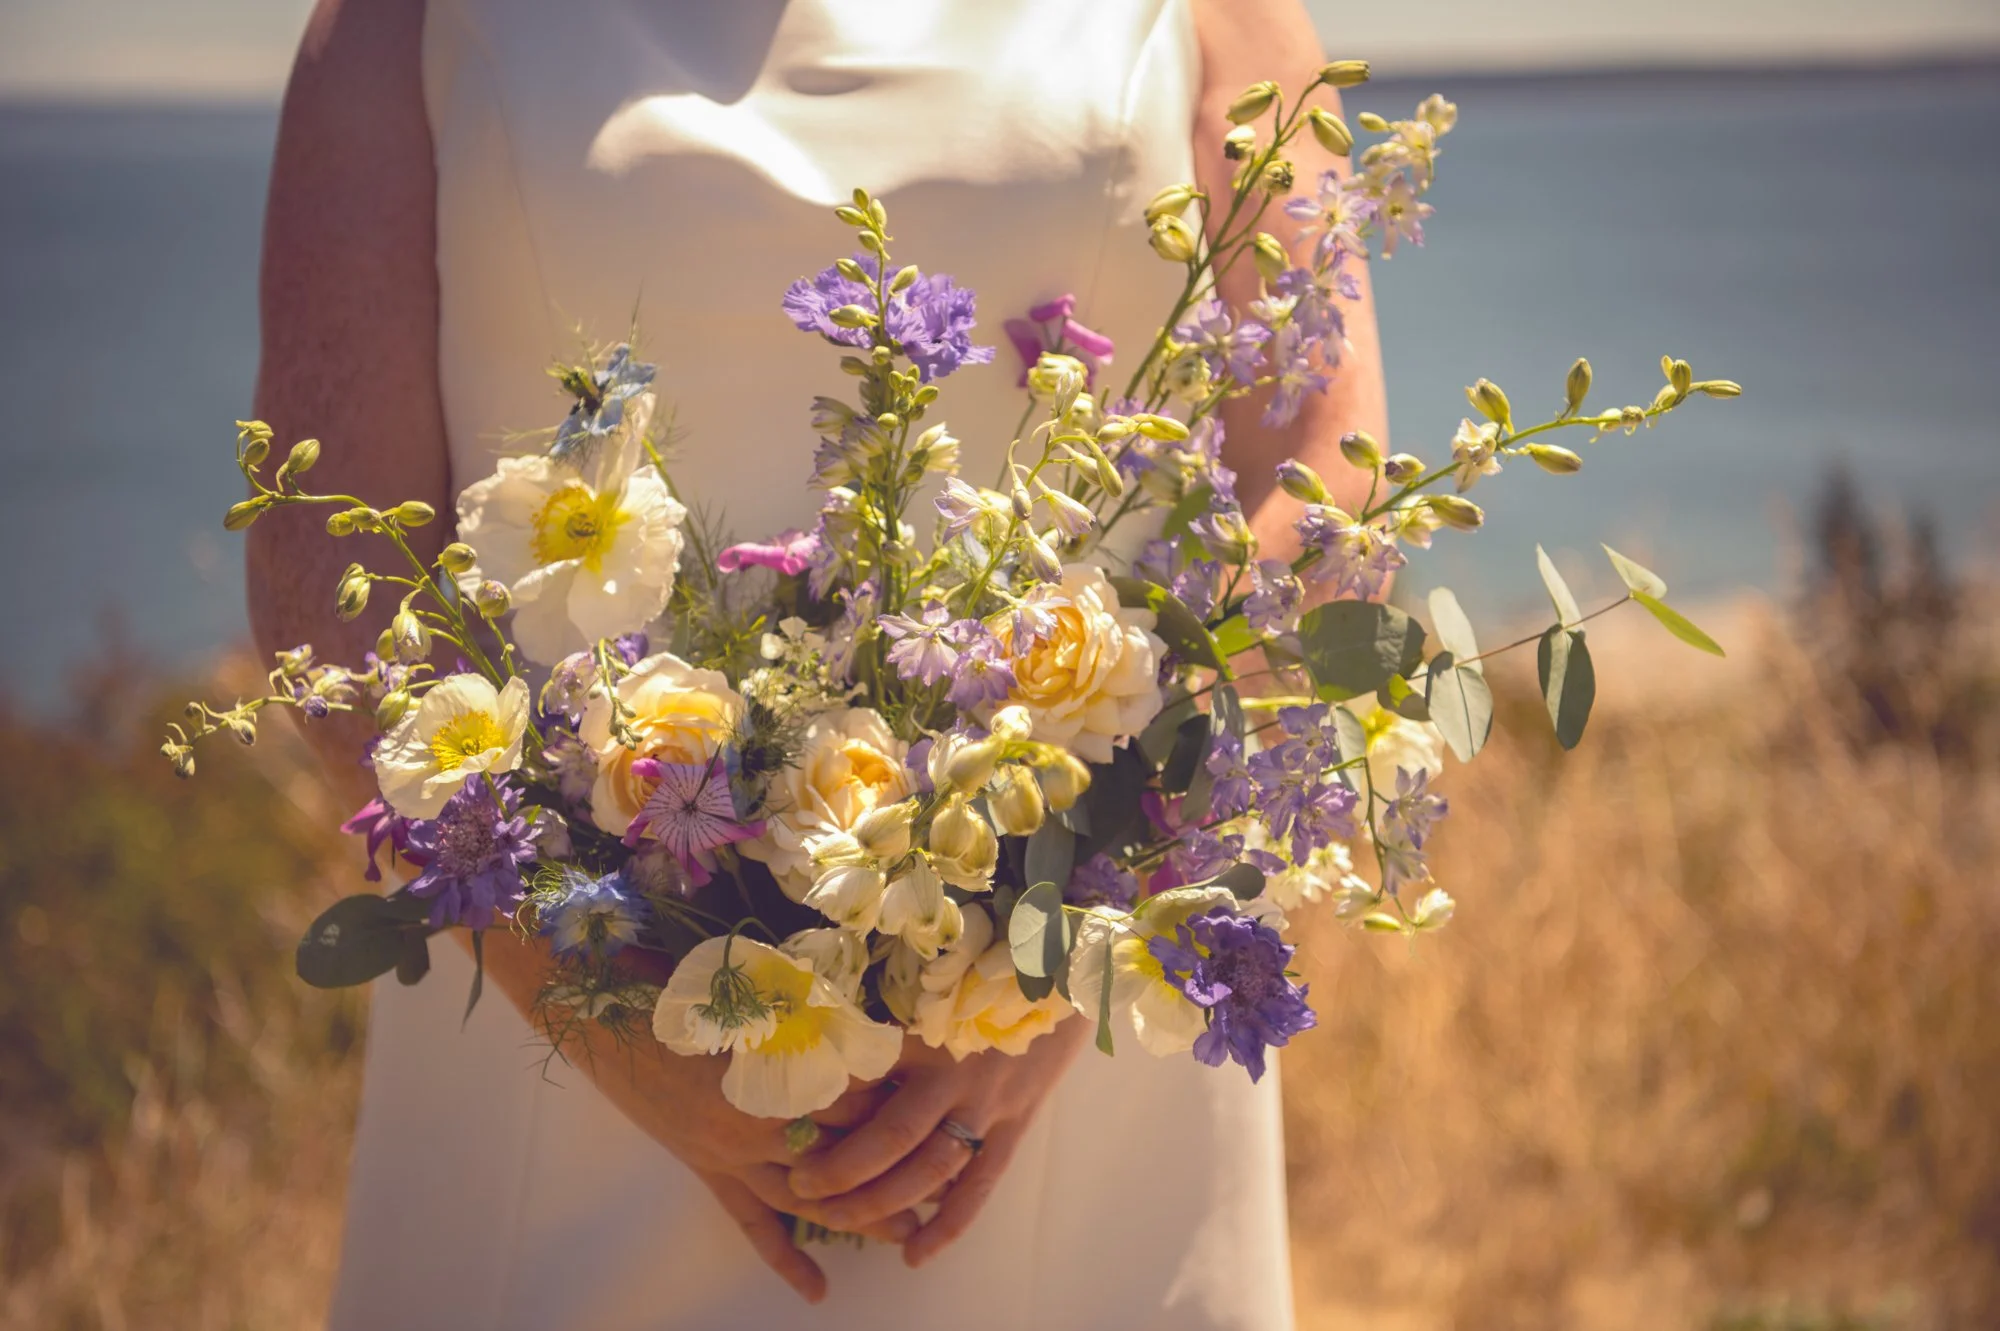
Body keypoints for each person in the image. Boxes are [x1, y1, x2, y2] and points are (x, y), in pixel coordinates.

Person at [249, 1, 1386, 1326]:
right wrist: (593, 1004)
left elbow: (1330, 488)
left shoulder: (1223, 12)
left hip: (1081, 1023)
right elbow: (323, 568)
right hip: (566, 1018)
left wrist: (1074, 945)